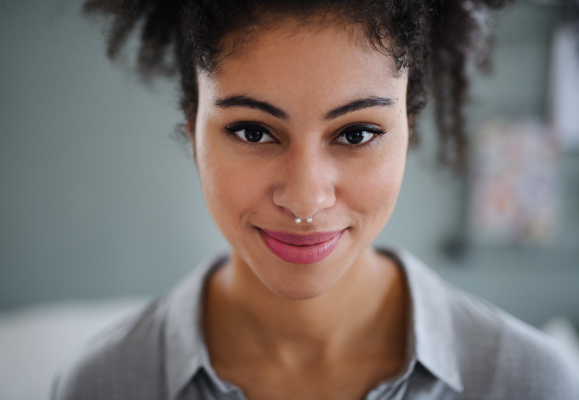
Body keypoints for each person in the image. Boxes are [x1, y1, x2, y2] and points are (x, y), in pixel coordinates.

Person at [51, 0, 578, 399]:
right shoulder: (102, 385)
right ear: (194, 134)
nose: (305, 199)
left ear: (408, 132)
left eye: (355, 134)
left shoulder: (531, 382)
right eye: (253, 132)